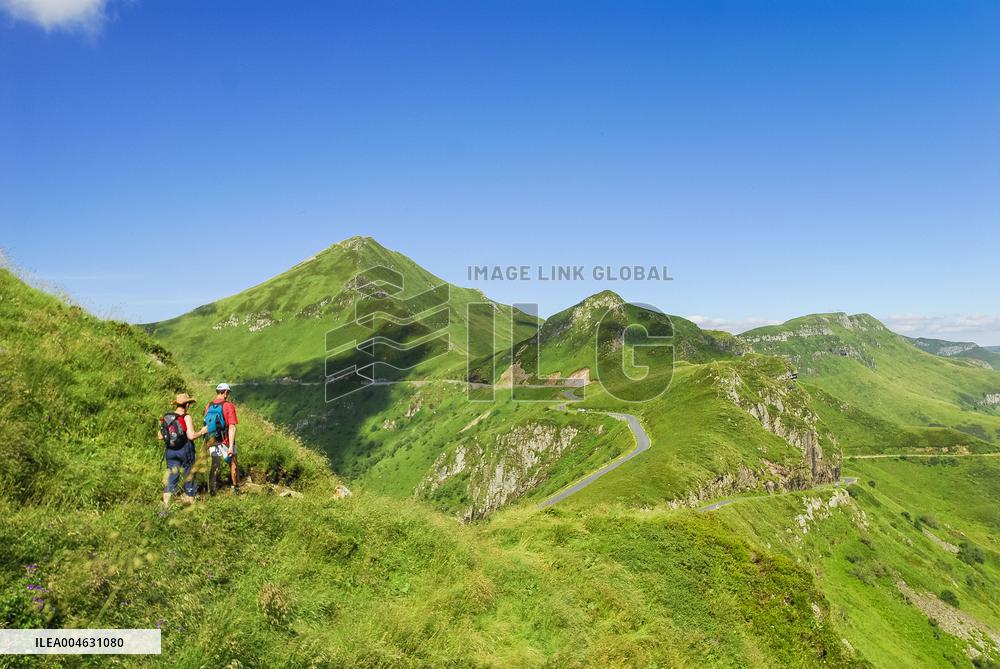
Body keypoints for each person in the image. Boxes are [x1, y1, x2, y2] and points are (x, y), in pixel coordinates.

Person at [158, 393, 208, 511]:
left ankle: (165, 509)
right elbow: (190, 436)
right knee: (188, 475)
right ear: (187, 405)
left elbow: (160, 436)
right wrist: (201, 432)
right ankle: (191, 505)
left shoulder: (167, 417)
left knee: (171, 477)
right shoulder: (186, 417)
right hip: (185, 451)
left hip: (170, 451)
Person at [205, 382, 240, 495]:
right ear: (225, 392)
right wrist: (230, 447)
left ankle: (212, 491)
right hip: (225, 441)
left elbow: (206, 425)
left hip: (212, 440)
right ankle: (235, 489)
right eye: (228, 392)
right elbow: (232, 427)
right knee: (233, 464)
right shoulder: (228, 406)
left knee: (215, 465)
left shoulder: (209, 405)